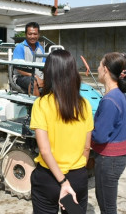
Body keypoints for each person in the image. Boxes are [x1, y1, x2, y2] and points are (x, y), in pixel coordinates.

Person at [29, 50, 94, 214]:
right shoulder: (84, 105)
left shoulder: (41, 104)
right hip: (77, 177)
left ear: (49, 72)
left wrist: (63, 181)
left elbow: (44, 150)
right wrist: (77, 174)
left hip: (49, 179)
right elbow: (87, 147)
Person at [92, 52, 126, 214]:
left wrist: (84, 131)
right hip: (116, 159)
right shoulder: (119, 95)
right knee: (107, 203)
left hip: (109, 160)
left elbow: (100, 136)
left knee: (107, 207)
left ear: (106, 70)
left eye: (100, 65)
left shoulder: (110, 100)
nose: (98, 68)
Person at [12, 22, 45, 96]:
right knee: (33, 82)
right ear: (26, 34)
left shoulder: (40, 48)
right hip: (22, 77)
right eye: (30, 34)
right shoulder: (20, 47)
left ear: (38, 34)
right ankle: (36, 106)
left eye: (35, 34)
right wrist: (35, 77)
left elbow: (44, 66)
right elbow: (19, 69)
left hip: (38, 76)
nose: (32, 36)